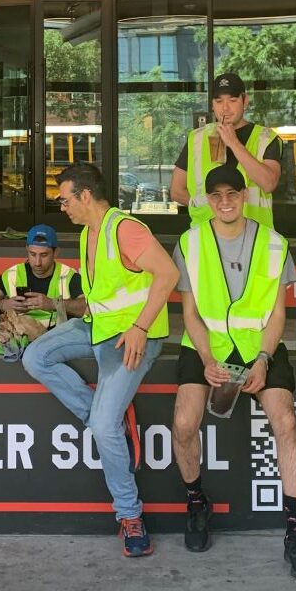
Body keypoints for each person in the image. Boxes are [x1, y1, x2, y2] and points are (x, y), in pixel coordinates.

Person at [171, 164, 296, 579]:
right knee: (183, 422)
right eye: (215, 195)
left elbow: (277, 315)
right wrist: (206, 360)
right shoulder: (189, 241)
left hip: (261, 350)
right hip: (206, 351)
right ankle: (196, 502)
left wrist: (264, 360)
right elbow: (190, 314)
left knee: (287, 423)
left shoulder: (274, 244)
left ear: (245, 195)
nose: (224, 202)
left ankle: (294, 532)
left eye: (232, 194)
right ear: (207, 199)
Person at [22, 164, 178, 558]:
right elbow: (100, 299)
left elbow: (168, 274)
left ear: (85, 195)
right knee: (36, 356)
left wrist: (141, 327)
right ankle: (105, 418)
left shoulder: (124, 228)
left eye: (64, 199)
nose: (63, 206)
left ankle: (130, 516)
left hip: (131, 338)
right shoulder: (89, 232)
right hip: (96, 328)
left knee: (104, 428)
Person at [171, 71, 283, 227]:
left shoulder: (266, 138)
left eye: (232, 100)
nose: (225, 108)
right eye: (218, 101)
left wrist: (234, 143)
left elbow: (269, 183)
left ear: (245, 101)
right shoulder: (196, 138)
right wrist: (210, 206)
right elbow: (176, 191)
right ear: (212, 104)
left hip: (255, 236)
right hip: (206, 235)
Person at [0, 223, 87, 328]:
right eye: (33, 254)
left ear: (56, 252)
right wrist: (2, 305)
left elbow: (87, 307)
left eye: (44, 255)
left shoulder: (68, 275)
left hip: (55, 338)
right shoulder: (13, 273)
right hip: (17, 338)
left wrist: (53, 303)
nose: (37, 262)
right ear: (27, 250)